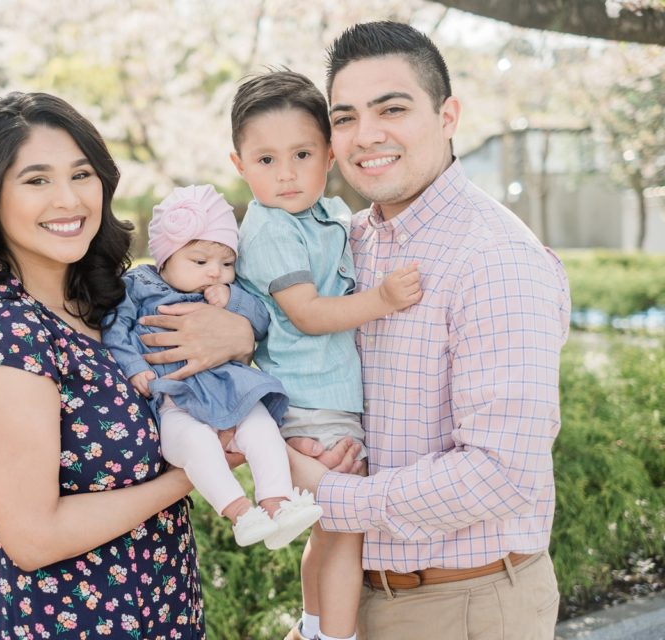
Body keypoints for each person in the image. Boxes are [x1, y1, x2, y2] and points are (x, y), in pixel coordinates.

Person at [281, 21, 572, 640]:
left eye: (392, 109)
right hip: (355, 593)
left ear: (448, 115)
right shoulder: (349, 242)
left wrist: (330, 495)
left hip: (467, 604)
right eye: (346, 117)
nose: (368, 136)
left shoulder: (496, 257)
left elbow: (502, 472)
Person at [0, 91, 205, 639]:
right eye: (37, 180)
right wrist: (188, 478)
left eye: (82, 174)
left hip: (162, 614)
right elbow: (32, 539)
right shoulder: (4, 334)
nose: (68, 200)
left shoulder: (109, 305)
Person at [229, 70, 422, 640]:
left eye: (302, 154)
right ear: (239, 165)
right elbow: (309, 313)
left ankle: (313, 629)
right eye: (265, 161)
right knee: (347, 532)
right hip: (313, 404)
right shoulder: (269, 230)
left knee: (327, 528)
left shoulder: (326, 215)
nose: (285, 174)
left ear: (330, 155)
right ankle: (336, 636)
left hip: (323, 396)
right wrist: (383, 299)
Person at [102, 183, 324, 549]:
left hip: (229, 389)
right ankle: (240, 513)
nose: (215, 273)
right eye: (200, 262)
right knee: (195, 443)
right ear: (165, 259)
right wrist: (131, 366)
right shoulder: (139, 284)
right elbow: (115, 326)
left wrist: (233, 300)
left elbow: (260, 321)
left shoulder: (227, 293)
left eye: (226, 263)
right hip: (173, 398)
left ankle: (277, 503)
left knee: (260, 425)